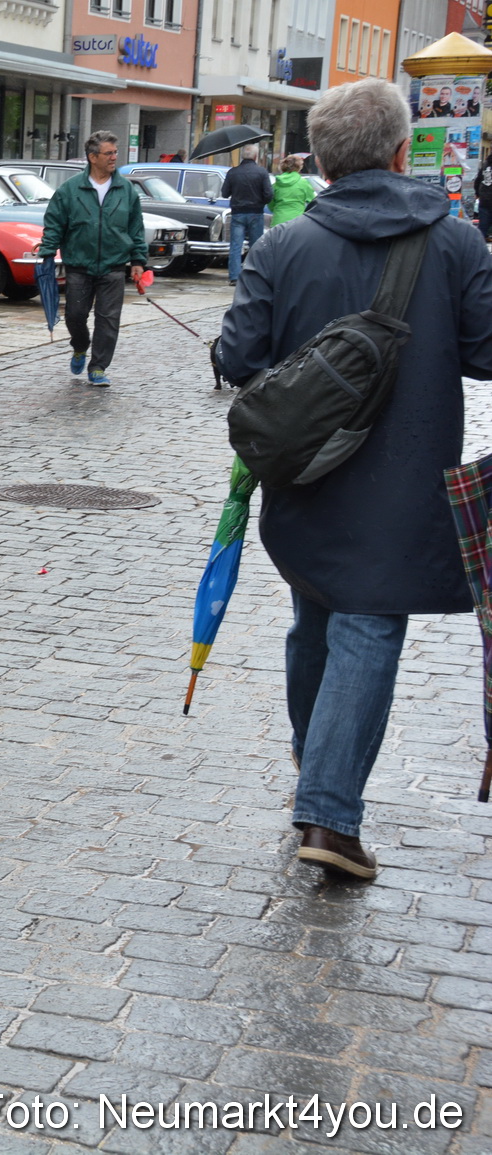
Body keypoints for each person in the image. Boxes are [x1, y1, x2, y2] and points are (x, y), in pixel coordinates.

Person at [216, 79, 492, 880]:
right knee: (367, 627)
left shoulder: (281, 246)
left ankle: (317, 759)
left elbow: (238, 358)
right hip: (406, 484)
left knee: (320, 616)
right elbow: (484, 351)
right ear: (403, 151)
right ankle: (330, 816)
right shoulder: (458, 243)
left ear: (324, 161)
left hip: (305, 477)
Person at [35, 130, 146, 387]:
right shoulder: (69, 190)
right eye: (109, 153)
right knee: (75, 315)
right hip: (79, 265)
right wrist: (48, 252)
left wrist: (138, 261)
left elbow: (135, 227)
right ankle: (80, 345)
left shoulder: (126, 190)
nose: (114, 158)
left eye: (115, 153)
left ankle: (98, 368)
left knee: (108, 320)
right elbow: (54, 223)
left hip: (114, 266)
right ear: (92, 157)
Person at [222, 142, 273, 283]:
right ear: (256, 156)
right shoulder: (262, 172)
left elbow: (225, 193)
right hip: (256, 212)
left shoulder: (233, 172)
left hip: (238, 213)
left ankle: (234, 277)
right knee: (256, 247)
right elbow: (269, 194)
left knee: (236, 246)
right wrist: (260, 202)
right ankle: (254, 275)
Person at [269, 154, 316, 226]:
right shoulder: (304, 183)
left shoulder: (277, 183)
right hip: (297, 221)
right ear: (299, 167)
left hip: (278, 221)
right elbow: (313, 202)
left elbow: (270, 204)